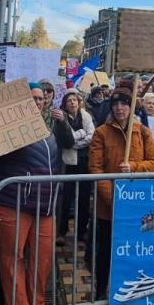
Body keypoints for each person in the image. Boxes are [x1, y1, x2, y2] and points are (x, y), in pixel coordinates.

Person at [0, 84, 68, 305]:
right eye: (32, 98)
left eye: (41, 98)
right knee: (13, 257)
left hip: (46, 205)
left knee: (42, 258)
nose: (37, 102)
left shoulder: (49, 129)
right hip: (15, 202)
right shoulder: (7, 125)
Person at [86, 80, 154, 305]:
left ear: (131, 107)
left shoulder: (143, 132)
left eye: (124, 104)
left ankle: (139, 293)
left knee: (138, 253)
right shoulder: (101, 133)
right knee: (105, 253)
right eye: (116, 104)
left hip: (138, 207)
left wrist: (135, 168)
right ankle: (100, 295)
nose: (120, 108)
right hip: (109, 208)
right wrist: (115, 202)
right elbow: (96, 171)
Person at [56, 91, 95, 245]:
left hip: (84, 161)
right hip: (68, 162)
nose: (72, 103)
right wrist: (79, 135)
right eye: (69, 101)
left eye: (75, 100)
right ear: (65, 104)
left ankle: (81, 232)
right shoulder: (62, 119)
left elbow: (91, 135)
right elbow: (67, 140)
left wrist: (76, 144)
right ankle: (61, 230)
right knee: (65, 199)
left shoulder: (86, 116)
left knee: (84, 198)